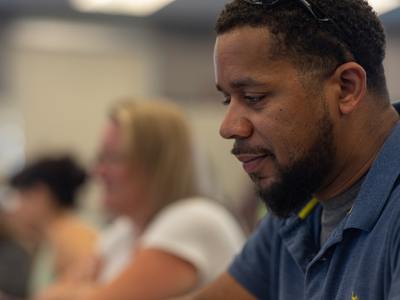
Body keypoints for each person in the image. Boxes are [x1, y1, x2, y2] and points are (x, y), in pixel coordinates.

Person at [180, 0, 400, 299]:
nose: (229, 127)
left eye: (254, 97)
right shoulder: (299, 203)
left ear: (347, 88)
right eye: (227, 100)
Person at [36, 99, 245, 300]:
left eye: (113, 158)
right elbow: (47, 295)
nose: (98, 171)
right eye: (101, 158)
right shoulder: (123, 231)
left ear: (157, 166)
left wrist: (88, 291)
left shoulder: (193, 219)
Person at [6, 155, 98, 296]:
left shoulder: (73, 236)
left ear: (40, 195)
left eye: (21, 197)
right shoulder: (52, 239)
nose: (17, 209)